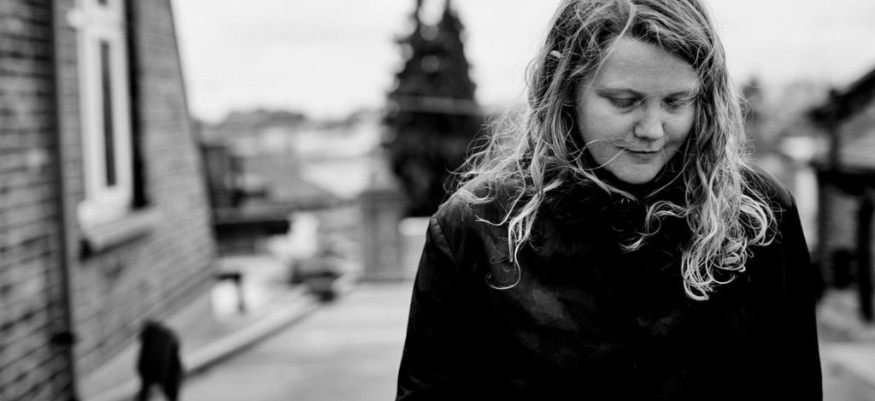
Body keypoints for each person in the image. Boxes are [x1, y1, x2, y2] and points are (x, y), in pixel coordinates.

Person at [396, 0, 823, 400]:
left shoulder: (760, 216)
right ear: (566, 88)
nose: (652, 130)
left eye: (676, 102)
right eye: (624, 102)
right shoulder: (476, 228)